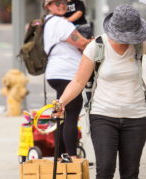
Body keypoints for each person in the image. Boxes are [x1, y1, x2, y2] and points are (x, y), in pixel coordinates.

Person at [55, 4, 146, 179]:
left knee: (130, 174)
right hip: (103, 115)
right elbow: (78, 82)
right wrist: (61, 103)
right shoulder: (97, 46)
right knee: (104, 170)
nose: (127, 40)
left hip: (136, 117)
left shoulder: (140, 44)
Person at [43, 0, 90, 158]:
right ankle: (72, 157)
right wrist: (97, 42)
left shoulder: (48, 22)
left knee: (62, 115)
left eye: (63, 2)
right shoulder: (61, 23)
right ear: (48, 6)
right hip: (66, 73)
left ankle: (62, 156)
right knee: (71, 114)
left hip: (55, 72)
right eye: (56, 2)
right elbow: (82, 43)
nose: (61, 5)